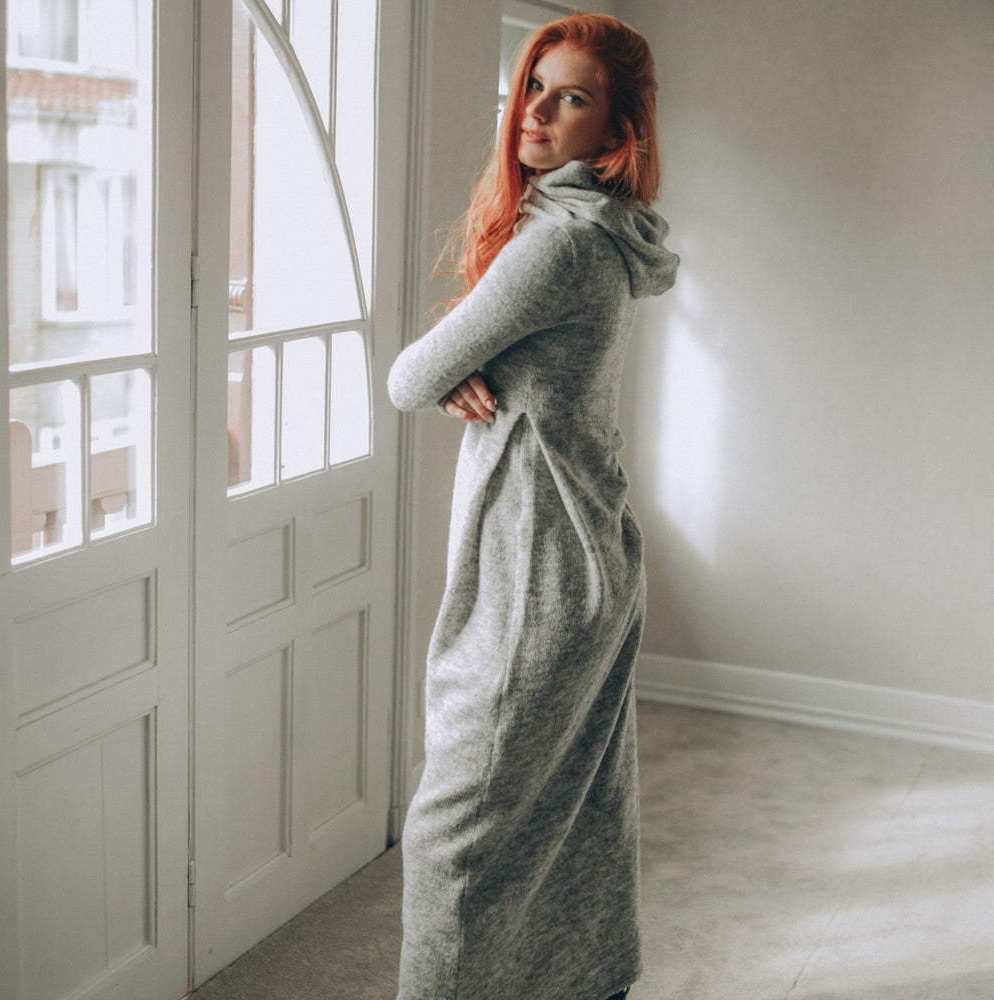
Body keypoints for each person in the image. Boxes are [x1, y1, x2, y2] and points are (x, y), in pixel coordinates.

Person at [387, 13, 678, 1000]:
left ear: (617, 132)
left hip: (537, 579)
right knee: (576, 815)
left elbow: (407, 378)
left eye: (572, 97)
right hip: (592, 557)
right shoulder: (605, 235)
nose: (537, 111)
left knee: (451, 839)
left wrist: (449, 369)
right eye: (534, 87)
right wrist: (462, 369)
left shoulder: (556, 248)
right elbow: (459, 371)